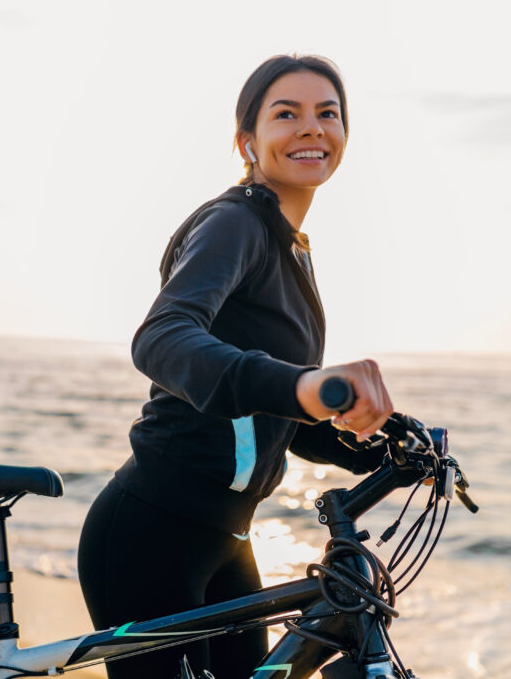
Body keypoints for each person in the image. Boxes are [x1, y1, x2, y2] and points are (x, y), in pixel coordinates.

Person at [77, 54, 395, 679]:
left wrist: (374, 442)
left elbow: (269, 412)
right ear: (247, 142)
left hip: (228, 537)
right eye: (287, 114)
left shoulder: (290, 249)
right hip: (152, 530)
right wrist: (304, 383)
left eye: (327, 113)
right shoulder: (235, 224)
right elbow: (163, 337)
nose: (312, 127)